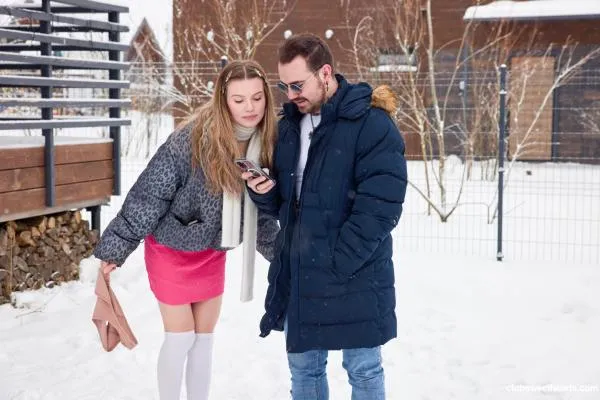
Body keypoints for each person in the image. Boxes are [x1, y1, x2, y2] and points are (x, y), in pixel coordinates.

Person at [93, 60, 279, 400]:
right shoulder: (189, 141)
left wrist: (285, 258)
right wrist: (116, 247)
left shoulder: (266, 144)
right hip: (171, 249)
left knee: (203, 340)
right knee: (180, 337)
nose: (250, 108)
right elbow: (149, 195)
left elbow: (261, 216)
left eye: (256, 98)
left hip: (212, 251)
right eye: (238, 100)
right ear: (223, 100)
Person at [243, 33, 408, 399]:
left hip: (355, 273)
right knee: (305, 371)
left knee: (363, 370)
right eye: (284, 86)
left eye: (298, 85)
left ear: (325, 73)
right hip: (301, 274)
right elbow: (287, 205)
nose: (291, 95)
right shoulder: (289, 128)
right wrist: (263, 191)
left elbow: (381, 206)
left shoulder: (371, 124)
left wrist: (338, 260)